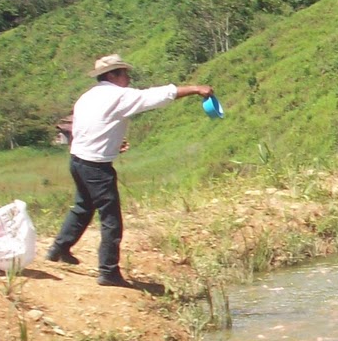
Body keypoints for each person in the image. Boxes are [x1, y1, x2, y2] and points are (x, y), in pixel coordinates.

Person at [45, 54, 214, 286]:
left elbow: (90, 126)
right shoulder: (118, 95)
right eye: (124, 72)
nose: (128, 77)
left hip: (78, 160)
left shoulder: (88, 96)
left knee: (83, 206)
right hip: (96, 166)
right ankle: (108, 271)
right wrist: (196, 89)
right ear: (112, 75)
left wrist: (112, 144)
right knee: (111, 219)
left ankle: (58, 248)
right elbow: (157, 95)